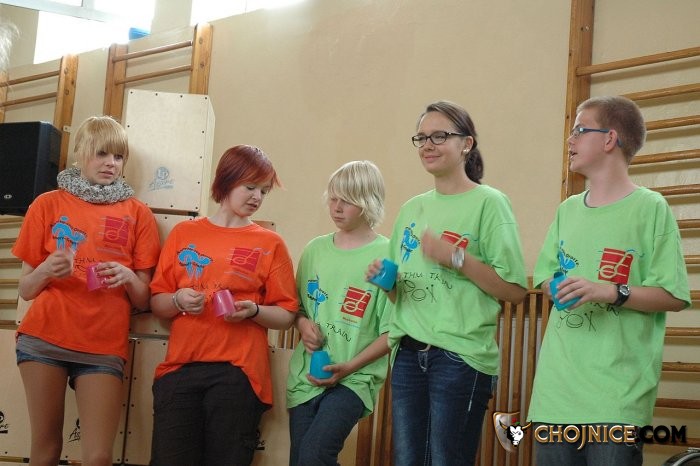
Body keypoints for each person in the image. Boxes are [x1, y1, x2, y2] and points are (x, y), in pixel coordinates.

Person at [528, 95, 691, 466]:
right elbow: (545, 278)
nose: (569, 140)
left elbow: (672, 295)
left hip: (617, 397)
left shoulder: (650, 207)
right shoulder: (567, 210)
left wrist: (609, 291)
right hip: (555, 394)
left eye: (579, 130)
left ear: (609, 139)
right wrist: (555, 287)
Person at [371, 100, 528, 466]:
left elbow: (514, 291)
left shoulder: (490, 203)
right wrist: (386, 282)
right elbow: (399, 296)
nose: (428, 145)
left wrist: (456, 257)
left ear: (466, 144)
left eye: (439, 136)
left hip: (460, 357)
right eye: (421, 137)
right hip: (408, 353)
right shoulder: (411, 209)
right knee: (408, 460)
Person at [12, 115, 161, 466]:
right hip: (43, 340)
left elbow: (144, 299)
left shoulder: (138, 213)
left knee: (98, 456)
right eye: (102, 153)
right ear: (81, 152)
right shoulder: (47, 204)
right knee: (46, 449)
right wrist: (47, 270)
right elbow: (26, 289)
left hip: (103, 346)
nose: (111, 163)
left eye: (119, 156)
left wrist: (128, 277)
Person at [149, 144, 299, 466]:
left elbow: (287, 314)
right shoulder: (184, 233)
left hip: (239, 373)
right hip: (180, 369)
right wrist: (177, 299)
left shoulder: (270, 243)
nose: (257, 197)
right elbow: (157, 303)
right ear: (227, 181)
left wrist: (253, 311)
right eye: (250, 187)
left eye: (264, 191)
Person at [287, 160, 391, 466]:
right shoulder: (314, 250)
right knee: (301, 459)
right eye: (333, 198)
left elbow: (392, 333)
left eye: (347, 200)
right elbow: (297, 308)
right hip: (305, 377)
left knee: (316, 454)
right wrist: (302, 323)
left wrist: (348, 368)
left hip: (355, 379)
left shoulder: (386, 255)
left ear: (368, 202)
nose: (336, 207)